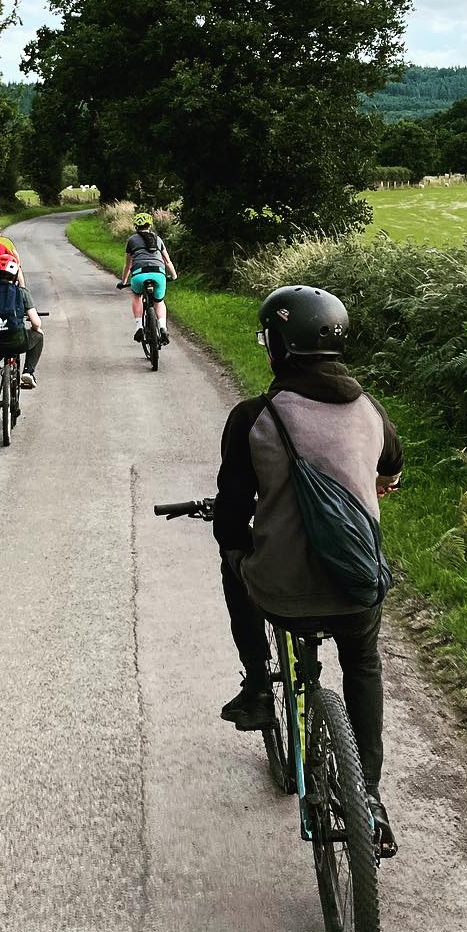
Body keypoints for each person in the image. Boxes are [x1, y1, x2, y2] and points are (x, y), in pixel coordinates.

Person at [212, 285, 403, 849]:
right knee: (362, 663)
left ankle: (257, 686)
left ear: (276, 346)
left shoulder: (255, 417)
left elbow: (230, 515)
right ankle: (367, 794)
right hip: (357, 586)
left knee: (233, 560)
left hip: (281, 594)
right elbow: (390, 470)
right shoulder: (372, 409)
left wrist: (239, 538)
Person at [0, 257, 44, 419]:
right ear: (15, 275)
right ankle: (28, 372)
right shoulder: (22, 293)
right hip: (18, 341)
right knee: (39, 335)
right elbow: (36, 323)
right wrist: (29, 320)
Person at [119, 212, 177, 344]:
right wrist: (173, 275)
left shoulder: (132, 240)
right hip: (158, 274)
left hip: (139, 274)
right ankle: (163, 327)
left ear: (136, 226)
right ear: (150, 225)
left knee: (137, 296)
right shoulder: (158, 239)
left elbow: (128, 265)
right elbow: (167, 261)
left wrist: (124, 282)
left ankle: (139, 326)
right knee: (159, 301)